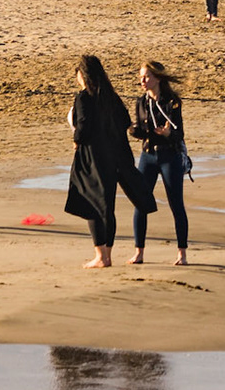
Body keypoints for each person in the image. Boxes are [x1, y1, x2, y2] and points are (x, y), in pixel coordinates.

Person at [66, 55, 156, 268]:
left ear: (84, 74)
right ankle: (107, 255)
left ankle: (101, 256)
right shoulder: (111, 97)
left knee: (93, 204)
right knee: (108, 205)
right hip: (117, 155)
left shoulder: (84, 97)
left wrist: (76, 140)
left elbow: (83, 126)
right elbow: (125, 121)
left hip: (93, 158)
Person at [129, 61, 190, 266]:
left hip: (169, 157)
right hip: (148, 156)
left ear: (157, 78)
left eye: (146, 77)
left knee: (176, 204)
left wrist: (169, 133)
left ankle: (182, 253)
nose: (142, 81)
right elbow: (139, 130)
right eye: (140, 77)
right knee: (140, 202)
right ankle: (139, 252)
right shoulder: (141, 102)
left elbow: (179, 133)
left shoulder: (171, 102)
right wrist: (132, 130)